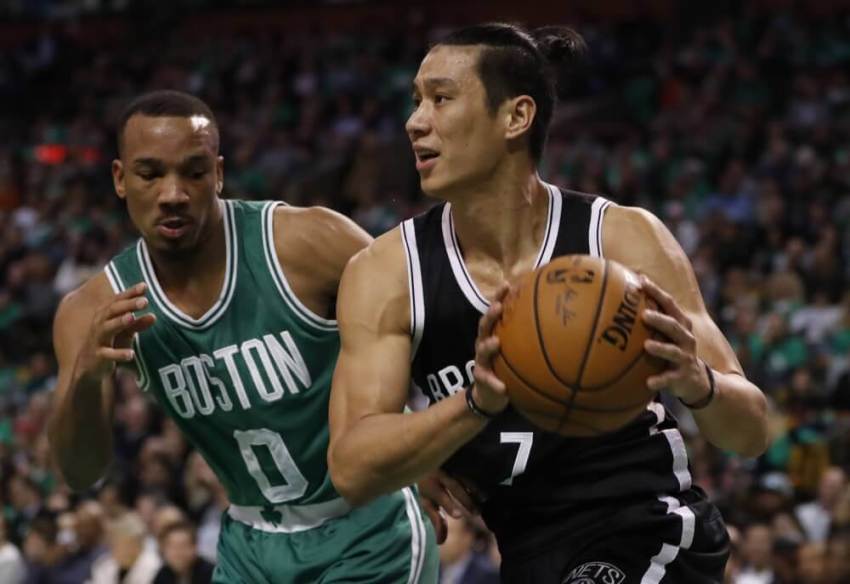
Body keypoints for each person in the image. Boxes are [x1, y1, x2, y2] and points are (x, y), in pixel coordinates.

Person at [328, 23, 769, 583]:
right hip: (529, 554)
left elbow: (751, 433)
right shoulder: (386, 272)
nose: (416, 121)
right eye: (416, 101)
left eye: (441, 98)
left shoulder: (620, 239)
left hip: (649, 528)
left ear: (516, 117)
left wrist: (697, 380)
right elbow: (352, 467)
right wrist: (464, 412)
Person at [48, 90, 437, 583]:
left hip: (368, 526)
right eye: (151, 174)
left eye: (193, 171)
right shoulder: (89, 310)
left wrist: (433, 449)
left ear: (219, 174)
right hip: (250, 540)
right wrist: (85, 376)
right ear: (121, 180)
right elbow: (81, 473)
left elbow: (434, 325)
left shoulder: (307, 242)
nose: (173, 193)